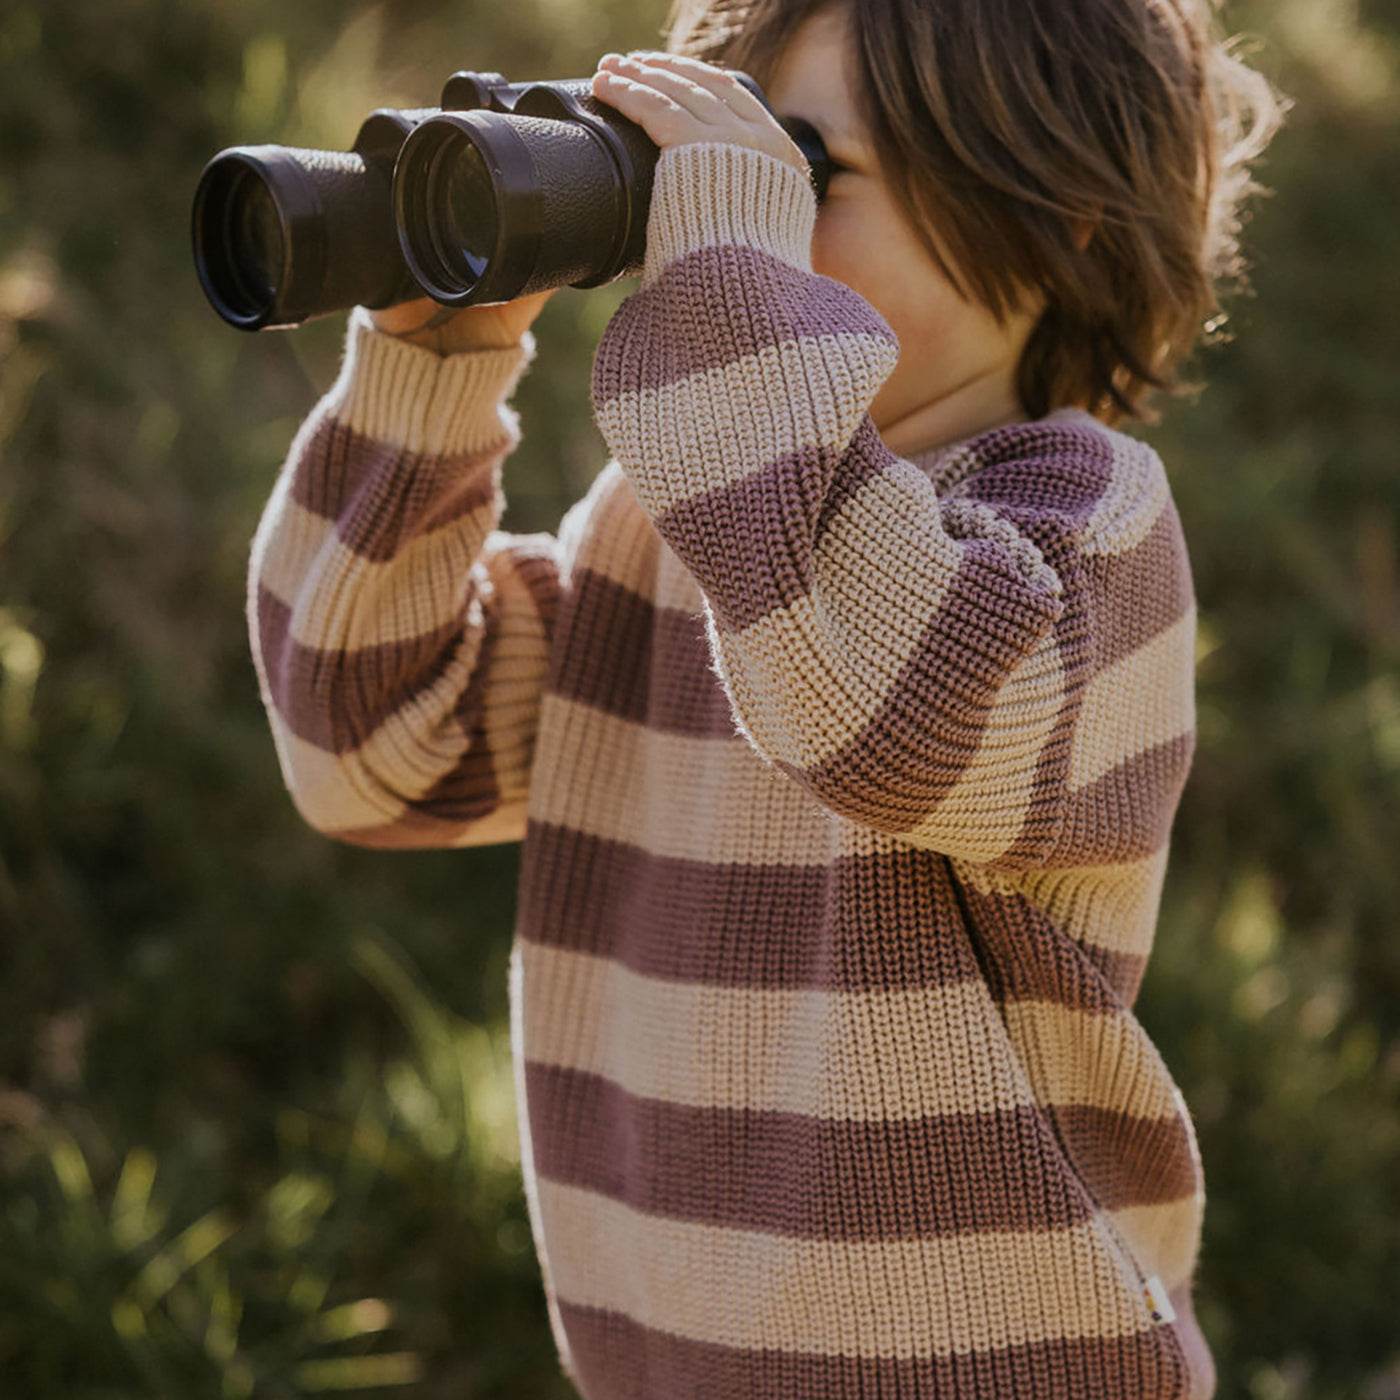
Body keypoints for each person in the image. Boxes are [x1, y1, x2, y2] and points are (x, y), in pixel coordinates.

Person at [247, 0, 1283, 1394]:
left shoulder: (1081, 532)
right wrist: (428, 369)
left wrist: (739, 294)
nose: (728, 220)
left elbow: (890, 718)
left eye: (803, 171)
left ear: (1068, 218)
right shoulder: (690, 530)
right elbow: (367, 747)